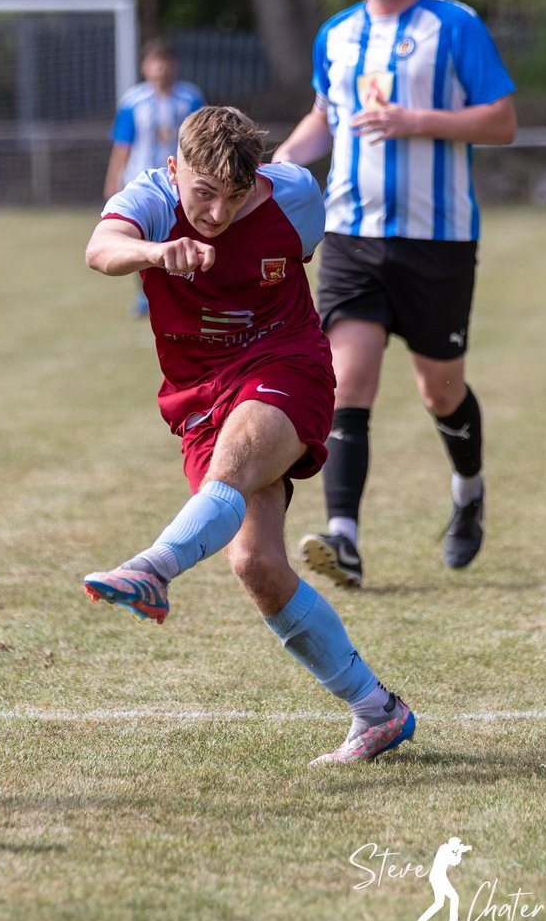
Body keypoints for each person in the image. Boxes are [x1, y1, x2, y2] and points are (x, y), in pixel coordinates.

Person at [82, 105, 416, 765]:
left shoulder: (292, 194)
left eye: (233, 197)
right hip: (198, 394)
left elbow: (303, 249)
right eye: (202, 193)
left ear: (256, 179)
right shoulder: (149, 199)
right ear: (175, 169)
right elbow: (100, 250)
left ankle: (152, 569)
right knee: (256, 564)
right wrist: (155, 252)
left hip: (284, 364)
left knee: (232, 466)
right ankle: (379, 712)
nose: (215, 213)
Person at [272, 0, 517, 588]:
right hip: (350, 234)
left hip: (437, 241)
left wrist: (416, 120)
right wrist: (278, 166)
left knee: (440, 392)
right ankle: (343, 536)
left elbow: (501, 121)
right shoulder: (337, 35)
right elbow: (325, 116)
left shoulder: (455, 26)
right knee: (347, 380)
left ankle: (468, 493)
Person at [104, 38, 205, 316]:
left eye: (165, 62)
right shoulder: (133, 102)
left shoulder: (190, 97)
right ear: (144, 68)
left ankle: (187, 293)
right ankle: (145, 295)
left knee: (183, 236)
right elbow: (123, 144)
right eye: (154, 62)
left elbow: (202, 139)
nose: (160, 68)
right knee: (142, 238)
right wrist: (113, 180)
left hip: (181, 182)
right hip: (141, 182)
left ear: (173, 66)